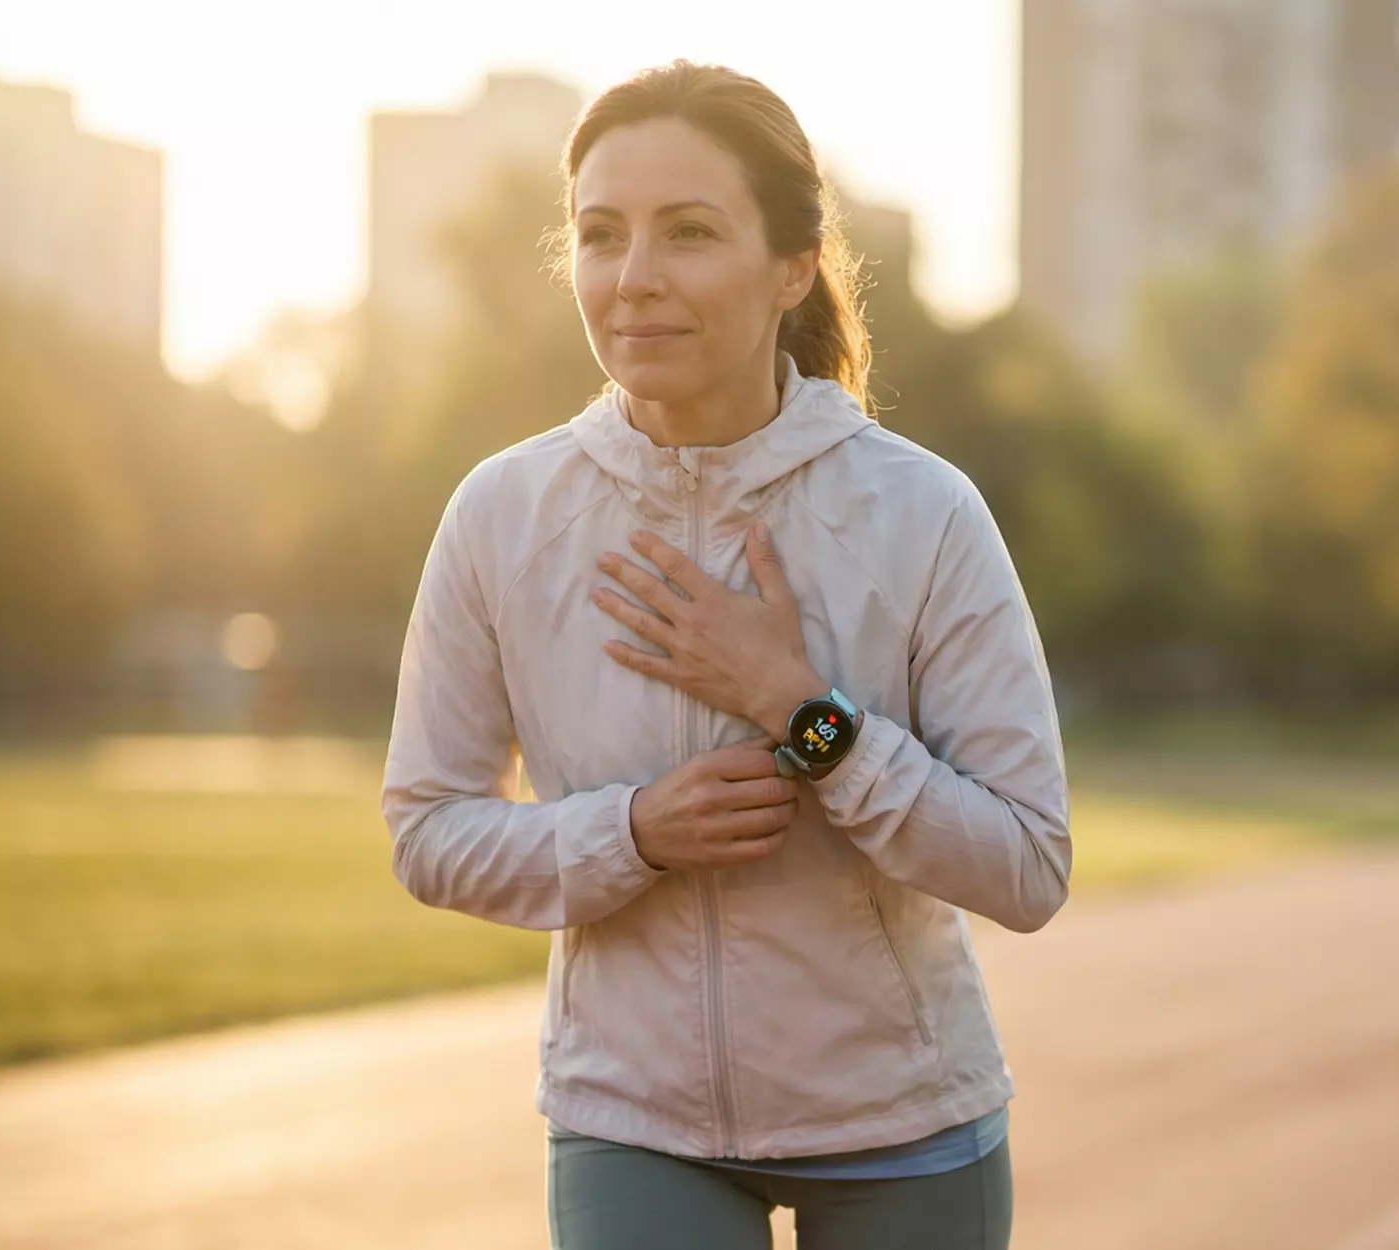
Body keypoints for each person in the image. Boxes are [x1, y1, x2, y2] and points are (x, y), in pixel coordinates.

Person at [381, 58, 1071, 1250]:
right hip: (632, 1122)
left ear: (790, 265)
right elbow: (428, 828)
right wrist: (632, 831)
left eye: (688, 232)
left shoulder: (921, 514)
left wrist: (804, 711)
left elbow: (1026, 864)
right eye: (601, 235)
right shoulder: (502, 513)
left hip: (902, 1121)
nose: (634, 278)